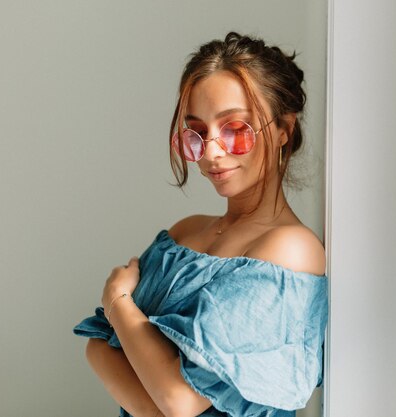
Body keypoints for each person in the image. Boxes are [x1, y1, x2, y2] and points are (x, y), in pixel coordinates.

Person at [73, 32, 329, 417]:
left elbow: (180, 400)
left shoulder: (291, 250)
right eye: (197, 132)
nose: (211, 152)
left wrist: (117, 302)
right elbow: (97, 345)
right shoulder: (183, 233)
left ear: (283, 131)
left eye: (235, 129)